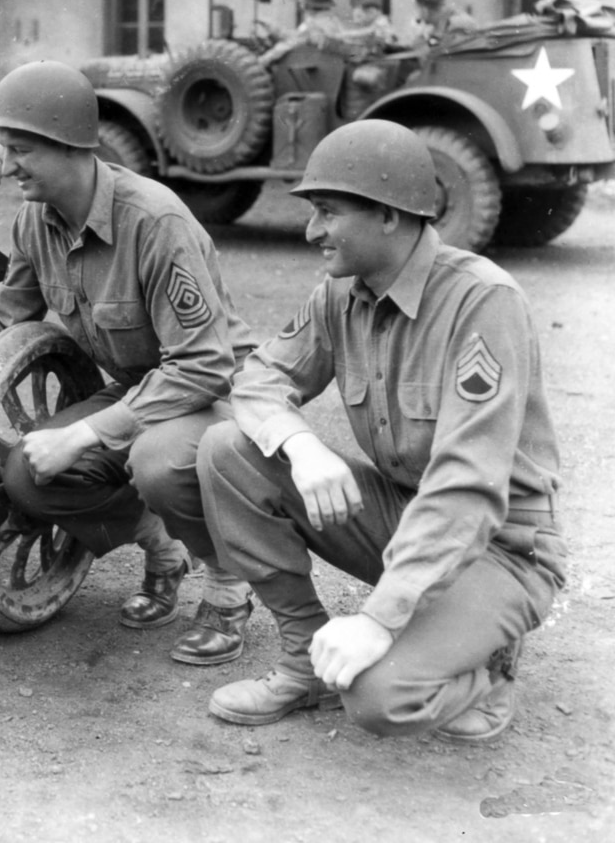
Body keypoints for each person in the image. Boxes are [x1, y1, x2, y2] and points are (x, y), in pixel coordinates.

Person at [198, 119, 567, 742]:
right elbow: (257, 380)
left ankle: (490, 671)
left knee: (379, 699)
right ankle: (303, 661)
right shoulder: (340, 293)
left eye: (327, 212)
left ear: (391, 216)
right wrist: (302, 444)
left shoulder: (482, 301)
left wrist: (375, 620)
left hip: (499, 547)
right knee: (227, 450)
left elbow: (466, 486)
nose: (312, 231)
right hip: (405, 519)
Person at [0, 61, 257, 664]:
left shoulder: (154, 222)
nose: (7, 168)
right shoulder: (36, 221)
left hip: (222, 394)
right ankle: (161, 544)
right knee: (28, 475)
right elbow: (1, 322)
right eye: (5, 150)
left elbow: (204, 366)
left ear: (71, 148)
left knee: (156, 461)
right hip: (148, 389)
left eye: (21, 151)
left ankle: (228, 590)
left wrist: (88, 431)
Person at [258, 0, 350, 67]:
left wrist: (262, 61)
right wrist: (274, 28)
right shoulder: (334, 22)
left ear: (307, 3)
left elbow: (290, 43)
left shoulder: (312, 25)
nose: (299, 0)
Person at [410, 0, 478, 49]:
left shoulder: (458, 22)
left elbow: (436, 51)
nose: (417, 14)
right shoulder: (432, 28)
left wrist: (440, 28)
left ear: (424, 9)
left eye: (417, 8)